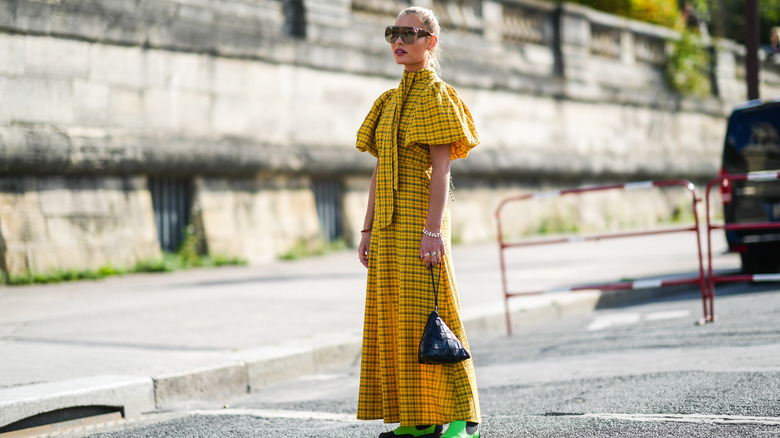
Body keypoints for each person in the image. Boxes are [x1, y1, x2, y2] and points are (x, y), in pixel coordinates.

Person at [355, 6, 481, 438]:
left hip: (420, 225)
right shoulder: (387, 102)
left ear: (431, 42)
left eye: (410, 33)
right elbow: (378, 170)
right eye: (394, 32)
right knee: (397, 319)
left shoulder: (438, 96)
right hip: (388, 230)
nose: (400, 40)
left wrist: (432, 232)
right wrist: (367, 229)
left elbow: (442, 170)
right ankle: (419, 421)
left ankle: (463, 419)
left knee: (438, 314)